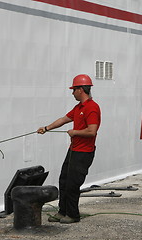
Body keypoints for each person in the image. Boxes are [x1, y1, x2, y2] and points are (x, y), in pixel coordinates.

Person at [37, 74, 101, 224]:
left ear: (80, 89)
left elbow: (92, 131)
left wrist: (75, 132)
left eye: (73, 90)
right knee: (64, 180)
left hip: (84, 153)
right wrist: (46, 128)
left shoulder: (92, 108)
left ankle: (73, 215)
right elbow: (63, 120)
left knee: (73, 184)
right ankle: (62, 211)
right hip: (74, 150)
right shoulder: (79, 107)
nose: (72, 93)